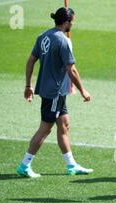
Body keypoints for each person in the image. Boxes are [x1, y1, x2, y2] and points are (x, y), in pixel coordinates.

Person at [16, 7, 92, 178]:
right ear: (66, 22)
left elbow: (30, 61)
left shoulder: (43, 36)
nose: (73, 24)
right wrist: (83, 91)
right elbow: (71, 70)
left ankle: (71, 165)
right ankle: (24, 165)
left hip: (50, 90)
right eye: (72, 21)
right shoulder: (63, 41)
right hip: (55, 92)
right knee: (45, 128)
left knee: (64, 124)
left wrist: (28, 85)